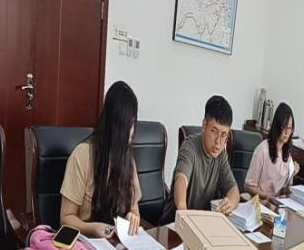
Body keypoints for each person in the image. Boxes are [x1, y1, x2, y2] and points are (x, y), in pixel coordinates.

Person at [60, 80, 141, 237]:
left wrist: (133, 216)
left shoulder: (127, 159)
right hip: (85, 241)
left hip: (116, 243)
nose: (131, 132)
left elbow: (134, 208)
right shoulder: (82, 155)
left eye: (133, 123)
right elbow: (65, 218)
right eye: (127, 125)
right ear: (114, 125)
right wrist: (92, 228)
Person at [160, 95, 239, 223]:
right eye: (214, 131)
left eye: (223, 135)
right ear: (204, 125)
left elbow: (233, 190)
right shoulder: (189, 146)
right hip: (173, 223)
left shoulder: (221, 155)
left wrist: (230, 203)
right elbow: (181, 179)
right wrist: (182, 208)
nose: (218, 142)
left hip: (202, 223)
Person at [244, 102, 300, 199]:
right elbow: (248, 186)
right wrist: (268, 197)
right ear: (277, 126)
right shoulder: (262, 150)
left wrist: (292, 174)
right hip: (261, 201)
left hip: (277, 202)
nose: (287, 132)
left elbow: (285, 190)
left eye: (290, 128)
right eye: (284, 127)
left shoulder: (287, 155)